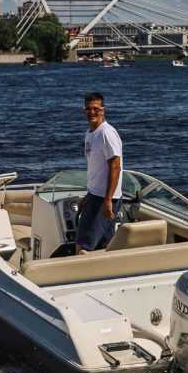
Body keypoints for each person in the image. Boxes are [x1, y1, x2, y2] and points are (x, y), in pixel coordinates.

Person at [75, 92, 123, 254]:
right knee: (105, 245)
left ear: (103, 110)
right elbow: (96, 169)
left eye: (96, 108)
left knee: (82, 246)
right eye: (88, 109)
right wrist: (88, 196)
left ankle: (78, 276)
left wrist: (108, 200)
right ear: (84, 111)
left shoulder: (106, 133)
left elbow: (115, 166)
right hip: (95, 196)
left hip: (103, 199)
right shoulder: (90, 134)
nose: (92, 112)